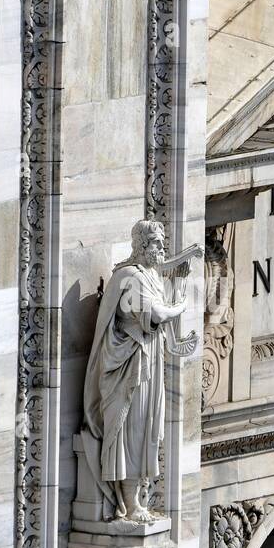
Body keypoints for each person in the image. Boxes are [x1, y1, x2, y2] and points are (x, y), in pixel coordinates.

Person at [81, 221, 189, 523]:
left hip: (147, 363)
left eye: (162, 243)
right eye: (157, 243)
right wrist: (179, 306)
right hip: (130, 371)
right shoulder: (130, 277)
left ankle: (138, 496)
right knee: (133, 432)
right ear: (142, 246)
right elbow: (154, 315)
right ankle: (129, 503)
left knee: (148, 430)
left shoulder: (150, 276)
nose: (162, 249)